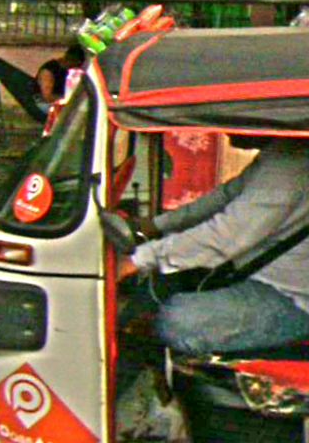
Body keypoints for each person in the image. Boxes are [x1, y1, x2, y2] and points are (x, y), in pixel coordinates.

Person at [119, 136, 309, 355]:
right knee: (160, 284)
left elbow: (226, 236)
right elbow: (224, 198)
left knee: (179, 320)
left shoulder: (292, 165)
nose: (227, 133)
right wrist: (154, 226)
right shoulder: (283, 153)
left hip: (292, 301)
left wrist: (137, 260)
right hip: (252, 272)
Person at [34, 44, 85, 114]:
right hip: (44, 103)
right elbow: (47, 97)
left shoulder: (74, 72)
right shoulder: (49, 70)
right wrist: (69, 99)